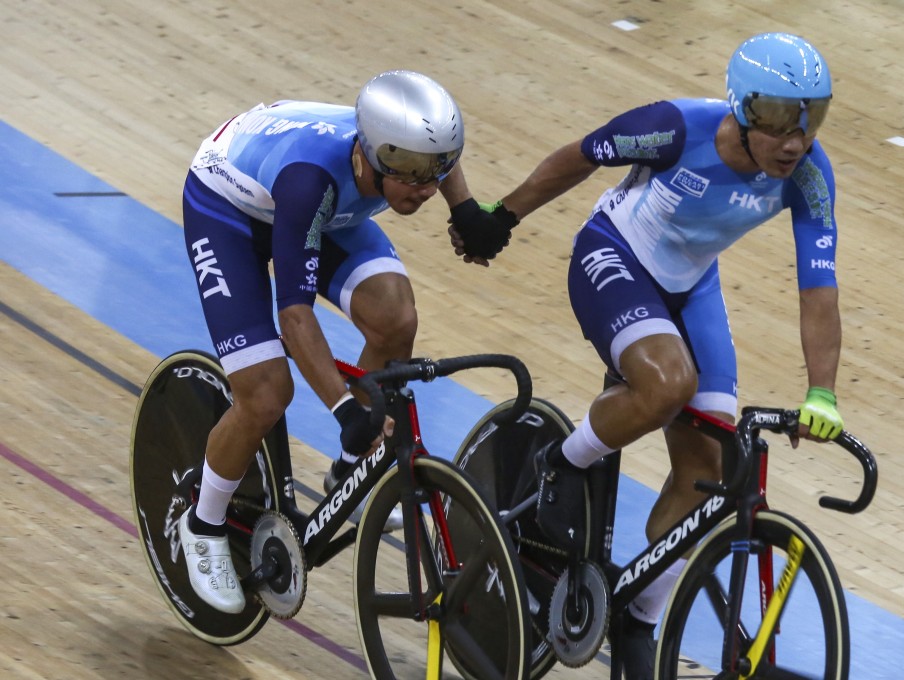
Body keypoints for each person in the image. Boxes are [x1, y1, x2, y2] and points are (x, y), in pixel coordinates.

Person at [449, 32, 846, 678]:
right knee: (667, 382)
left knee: (711, 472)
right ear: (742, 108)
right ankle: (561, 460)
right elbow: (580, 156)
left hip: (692, 285)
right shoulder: (672, 129)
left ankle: (637, 616)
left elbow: (819, 289)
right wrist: (503, 215)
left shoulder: (809, 175)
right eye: (779, 120)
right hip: (615, 257)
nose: (797, 140)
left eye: (812, 118)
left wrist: (821, 392)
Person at [180, 70, 502, 614]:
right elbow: (296, 318)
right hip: (230, 210)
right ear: (375, 156)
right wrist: (346, 408)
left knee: (395, 320)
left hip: (319, 212)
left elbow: (437, 155)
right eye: (412, 177)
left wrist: (465, 208)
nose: (425, 189)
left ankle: (349, 468)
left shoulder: (403, 155)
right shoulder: (311, 180)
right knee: (264, 394)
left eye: (434, 174)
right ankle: (202, 521)